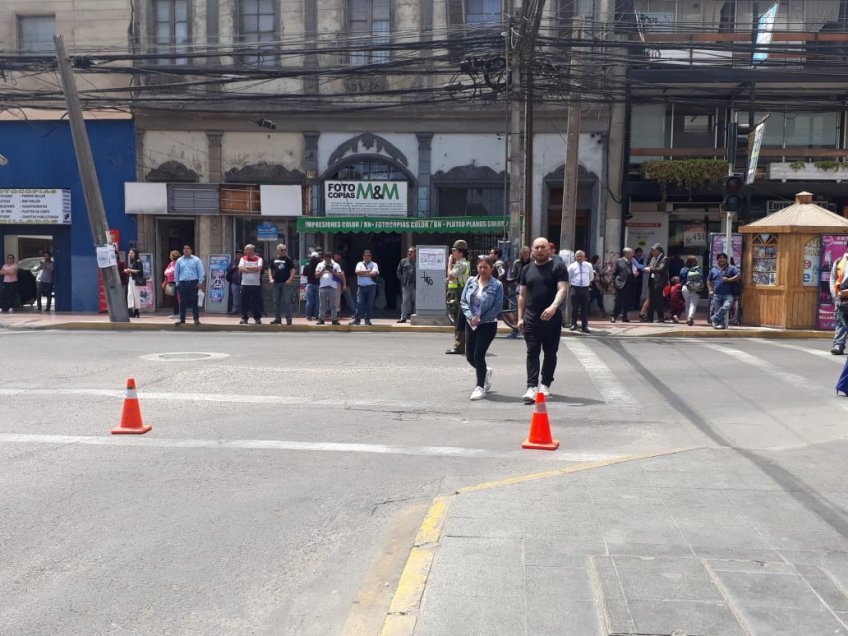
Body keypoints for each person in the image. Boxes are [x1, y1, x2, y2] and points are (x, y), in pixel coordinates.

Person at [518, 237, 569, 404]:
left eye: (543, 247)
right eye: (537, 247)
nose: (540, 250)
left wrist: (553, 307)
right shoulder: (526, 269)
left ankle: (545, 383)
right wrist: (520, 318)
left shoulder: (558, 266)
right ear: (532, 250)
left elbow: (562, 289)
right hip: (531, 319)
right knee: (532, 352)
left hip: (552, 319)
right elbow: (522, 295)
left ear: (549, 249)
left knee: (550, 352)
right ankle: (531, 386)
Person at [461, 255, 504, 401]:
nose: (483, 270)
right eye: (480, 267)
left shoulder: (497, 285)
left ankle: (480, 387)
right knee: (469, 356)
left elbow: (497, 307)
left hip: (487, 324)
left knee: (478, 354)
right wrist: (470, 317)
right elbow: (463, 301)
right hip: (471, 323)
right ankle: (485, 371)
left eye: (486, 267)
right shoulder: (470, 281)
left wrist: (480, 319)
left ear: (491, 268)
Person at [445, 239, 471, 354]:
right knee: (458, 319)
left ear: (460, 252)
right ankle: (459, 345)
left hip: (459, 294)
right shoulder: (461, 264)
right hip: (457, 293)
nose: (452, 253)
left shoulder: (461, 264)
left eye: (454, 250)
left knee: (458, 320)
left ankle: (459, 346)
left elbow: (451, 275)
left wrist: (449, 262)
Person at [707, 252, 741, 330]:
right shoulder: (713, 269)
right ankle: (722, 324)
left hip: (728, 294)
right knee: (718, 310)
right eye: (720, 258)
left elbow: (739, 275)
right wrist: (710, 289)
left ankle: (714, 318)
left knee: (726, 307)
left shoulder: (731, 268)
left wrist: (729, 279)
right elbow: (708, 280)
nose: (722, 259)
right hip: (717, 294)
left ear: (726, 259)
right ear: (717, 260)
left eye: (723, 258)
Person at [174, 244, 205, 325]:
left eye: (188, 249)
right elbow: (176, 272)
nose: (186, 250)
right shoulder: (179, 260)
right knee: (182, 302)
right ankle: (182, 319)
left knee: (194, 301)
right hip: (182, 283)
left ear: (191, 250)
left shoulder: (196, 260)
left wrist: (200, 282)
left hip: (193, 282)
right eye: (184, 249)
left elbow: (201, 271)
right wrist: (177, 283)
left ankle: (196, 318)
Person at [506, 246, 531, 338]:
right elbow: (514, 274)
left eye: (527, 253)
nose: (525, 255)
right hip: (519, 285)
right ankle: (516, 329)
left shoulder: (532, 262)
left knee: (527, 308)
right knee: (516, 308)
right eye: (523, 254)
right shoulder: (517, 262)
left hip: (529, 286)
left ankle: (526, 329)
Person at [567, 250, 594, 333]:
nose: (579, 257)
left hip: (585, 288)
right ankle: (573, 324)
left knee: (584, 308)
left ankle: (584, 326)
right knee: (574, 308)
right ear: (575, 257)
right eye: (577, 256)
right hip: (575, 288)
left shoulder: (588, 265)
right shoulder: (571, 266)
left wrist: (586, 282)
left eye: (580, 256)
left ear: (584, 257)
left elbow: (591, 277)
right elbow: (568, 278)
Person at [269, 243, 296, 325]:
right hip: (276, 283)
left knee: (287, 301)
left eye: (285, 250)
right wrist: (270, 278)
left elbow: (293, 269)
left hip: (285, 283)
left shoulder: (288, 259)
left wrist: (290, 279)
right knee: (276, 301)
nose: (284, 251)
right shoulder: (274, 259)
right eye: (282, 250)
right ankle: (277, 318)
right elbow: (270, 269)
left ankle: (289, 319)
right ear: (278, 250)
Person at [351, 250, 379, 326]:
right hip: (361, 287)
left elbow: (374, 273)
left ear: (371, 257)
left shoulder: (374, 264)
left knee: (370, 303)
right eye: (366, 255)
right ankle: (357, 320)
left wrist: (363, 274)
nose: (367, 257)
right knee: (359, 303)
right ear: (363, 256)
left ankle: (367, 320)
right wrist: (368, 271)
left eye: (369, 255)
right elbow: (357, 272)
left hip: (371, 287)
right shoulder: (359, 264)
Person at [643, 243, 669, 323]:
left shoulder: (664, 258)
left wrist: (651, 269)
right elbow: (649, 265)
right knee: (651, 299)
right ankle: (649, 317)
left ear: (658, 251)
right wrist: (651, 257)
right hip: (652, 281)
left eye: (654, 251)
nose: (652, 252)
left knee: (658, 300)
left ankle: (661, 317)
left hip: (659, 282)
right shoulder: (654, 258)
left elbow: (661, 269)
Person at [239, 244, 264, 325]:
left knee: (256, 302)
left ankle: (257, 318)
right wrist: (253, 269)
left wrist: (247, 268)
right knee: (244, 302)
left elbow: (259, 268)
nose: (245, 251)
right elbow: (241, 268)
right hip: (245, 284)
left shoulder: (259, 259)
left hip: (256, 285)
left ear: (251, 250)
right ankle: (244, 318)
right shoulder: (243, 258)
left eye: (246, 250)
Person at [315, 252, 343, 325]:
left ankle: (334, 319)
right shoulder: (320, 265)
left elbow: (340, 276)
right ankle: (321, 319)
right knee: (322, 305)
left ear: (331, 258)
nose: (327, 258)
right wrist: (323, 269)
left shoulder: (336, 265)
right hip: (323, 287)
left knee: (333, 305)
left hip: (333, 287)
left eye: (329, 257)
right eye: (326, 257)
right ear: (324, 258)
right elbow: (316, 276)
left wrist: (332, 271)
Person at [610, 247, 636, 323]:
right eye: (631, 253)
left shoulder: (630, 262)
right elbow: (614, 273)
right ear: (626, 254)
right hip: (620, 284)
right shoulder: (618, 261)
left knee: (626, 301)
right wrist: (614, 283)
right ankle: (613, 316)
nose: (632, 255)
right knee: (618, 301)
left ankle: (624, 316)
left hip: (628, 284)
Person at [830, 251, 848, 354]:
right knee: (840, 321)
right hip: (841, 299)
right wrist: (835, 296)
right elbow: (832, 279)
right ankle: (838, 345)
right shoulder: (839, 261)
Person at [679, 256, 702, 327]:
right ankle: (690, 317)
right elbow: (701, 278)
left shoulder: (683, 269)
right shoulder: (697, 269)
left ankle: (687, 318)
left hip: (685, 288)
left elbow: (680, 279)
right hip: (694, 288)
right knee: (693, 304)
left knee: (687, 304)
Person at [333, 251, 356, 319]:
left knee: (341, 299)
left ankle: (355, 312)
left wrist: (344, 284)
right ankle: (338, 313)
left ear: (339, 256)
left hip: (342, 283)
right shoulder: (341, 262)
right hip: (342, 283)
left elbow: (342, 274)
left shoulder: (340, 263)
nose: (334, 257)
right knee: (341, 299)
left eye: (335, 255)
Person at [397, 246, 416, 323]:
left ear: (415, 253)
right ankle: (403, 317)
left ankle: (416, 316)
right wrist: (403, 280)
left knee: (416, 300)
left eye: (411, 251)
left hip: (415, 284)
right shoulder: (403, 261)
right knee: (405, 301)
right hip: (406, 285)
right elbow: (398, 272)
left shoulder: (418, 261)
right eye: (408, 251)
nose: (409, 253)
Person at [125, 248, 145, 319]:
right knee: (130, 295)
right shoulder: (131, 261)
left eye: (131, 253)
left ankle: (137, 311)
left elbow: (140, 271)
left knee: (136, 296)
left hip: (135, 281)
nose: (130, 254)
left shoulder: (138, 261)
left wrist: (130, 270)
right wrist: (127, 271)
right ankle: (130, 310)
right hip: (130, 279)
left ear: (135, 254)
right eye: (129, 253)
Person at [161, 249, 180, 319]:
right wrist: (169, 272)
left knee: (177, 298)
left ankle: (178, 313)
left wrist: (169, 272)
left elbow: (173, 271)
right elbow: (166, 272)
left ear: (174, 256)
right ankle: (175, 312)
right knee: (172, 298)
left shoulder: (178, 263)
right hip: (170, 282)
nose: (169, 257)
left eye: (170, 255)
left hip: (176, 282)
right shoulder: (171, 263)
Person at [303, 252, 321, 320]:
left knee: (309, 301)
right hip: (318, 284)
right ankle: (316, 315)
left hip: (310, 284)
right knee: (317, 301)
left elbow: (304, 274)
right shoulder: (319, 266)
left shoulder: (307, 266)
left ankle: (308, 315)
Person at [226, 249, 243, 315]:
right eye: (237, 254)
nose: (239, 256)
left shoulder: (244, 262)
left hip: (243, 282)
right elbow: (227, 269)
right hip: (234, 282)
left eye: (240, 254)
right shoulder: (233, 262)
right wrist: (233, 268)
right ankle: (235, 310)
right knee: (235, 297)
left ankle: (243, 310)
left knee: (243, 297)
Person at [631, 247, 645, 315]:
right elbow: (638, 266)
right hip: (634, 278)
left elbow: (644, 266)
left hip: (640, 277)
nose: (640, 253)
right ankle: (632, 306)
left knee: (639, 292)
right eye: (639, 252)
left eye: (641, 252)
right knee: (633, 292)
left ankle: (637, 306)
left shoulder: (642, 259)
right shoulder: (633, 258)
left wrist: (643, 267)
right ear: (636, 253)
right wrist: (644, 267)